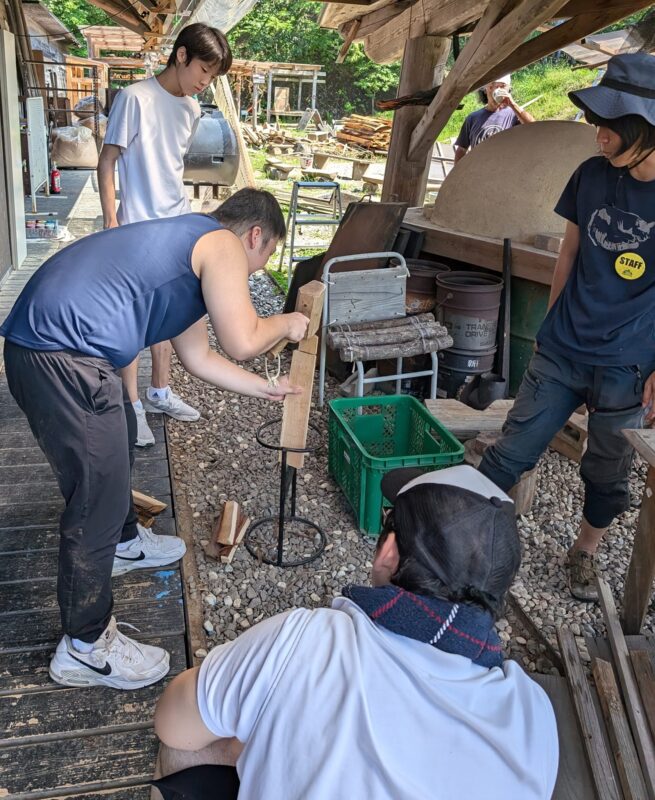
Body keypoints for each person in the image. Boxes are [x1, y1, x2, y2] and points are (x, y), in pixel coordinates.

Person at [0, 189, 310, 690]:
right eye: (266, 255)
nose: (257, 269)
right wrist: (289, 322)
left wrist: (266, 388)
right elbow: (244, 339)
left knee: (119, 430)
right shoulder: (222, 245)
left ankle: (124, 543)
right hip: (63, 354)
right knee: (94, 500)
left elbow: (201, 357)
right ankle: (85, 646)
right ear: (256, 235)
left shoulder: (188, 247)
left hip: (52, 349)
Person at [152, 465, 559, 800]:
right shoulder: (533, 716)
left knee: (183, 745)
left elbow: (172, 722)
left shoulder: (305, 642)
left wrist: (249, 746)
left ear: (388, 551)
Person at [479, 53, 655, 602]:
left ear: (644, 127)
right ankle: (465, 531)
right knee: (513, 449)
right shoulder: (590, 175)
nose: (597, 133)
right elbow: (569, 253)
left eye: (610, 124)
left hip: (628, 364)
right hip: (562, 349)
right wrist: (554, 323)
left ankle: (584, 551)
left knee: (607, 471)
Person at [98, 23, 232, 447]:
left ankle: (159, 392)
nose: (205, 82)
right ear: (180, 55)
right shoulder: (134, 97)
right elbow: (107, 163)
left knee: (170, 311)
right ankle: (131, 406)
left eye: (212, 75)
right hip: (135, 227)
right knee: (132, 321)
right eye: (204, 70)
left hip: (174, 224)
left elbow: (172, 168)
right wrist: (111, 224)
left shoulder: (191, 110)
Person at [453, 74, 535, 163]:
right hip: (479, 172)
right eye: (494, 86)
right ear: (486, 89)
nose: (497, 89)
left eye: (502, 86)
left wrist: (513, 104)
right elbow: (461, 149)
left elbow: (534, 127)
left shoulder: (514, 114)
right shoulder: (472, 118)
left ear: (508, 89)